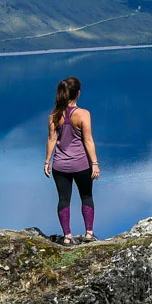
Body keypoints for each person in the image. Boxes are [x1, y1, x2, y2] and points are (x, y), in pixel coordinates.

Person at [44, 76, 99, 245]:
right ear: (78, 93)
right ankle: (89, 234)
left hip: (60, 166)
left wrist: (47, 162)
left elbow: (51, 139)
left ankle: (67, 236)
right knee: (86, 196)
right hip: (81, 165)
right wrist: (95, 164)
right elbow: (88, 140)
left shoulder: (54, 115)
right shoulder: (83, 114)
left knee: (63, 199)